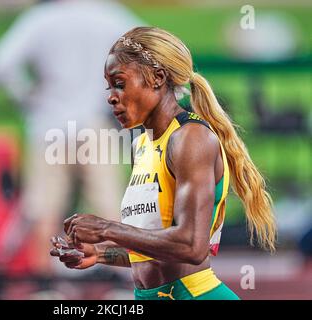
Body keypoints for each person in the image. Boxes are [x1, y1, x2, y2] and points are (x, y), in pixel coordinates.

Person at [50, 26, 277, 300]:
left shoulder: (190, 138)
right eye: (109, 87)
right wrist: (99, 254)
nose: (111, 96)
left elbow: (191, 245)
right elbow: (157, 249)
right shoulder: (142, 144)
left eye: (120, 84)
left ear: (157, 78)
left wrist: (105, 228)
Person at [0, 0, 143, 298]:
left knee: (45, 208)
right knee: (109, 207)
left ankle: (47, 287)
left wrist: (27, 98)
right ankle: (120, 284)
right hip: (95, 123)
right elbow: (149, 54)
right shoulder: (110, 15)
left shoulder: (41, 18)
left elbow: (1, 65)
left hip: (49, 125)